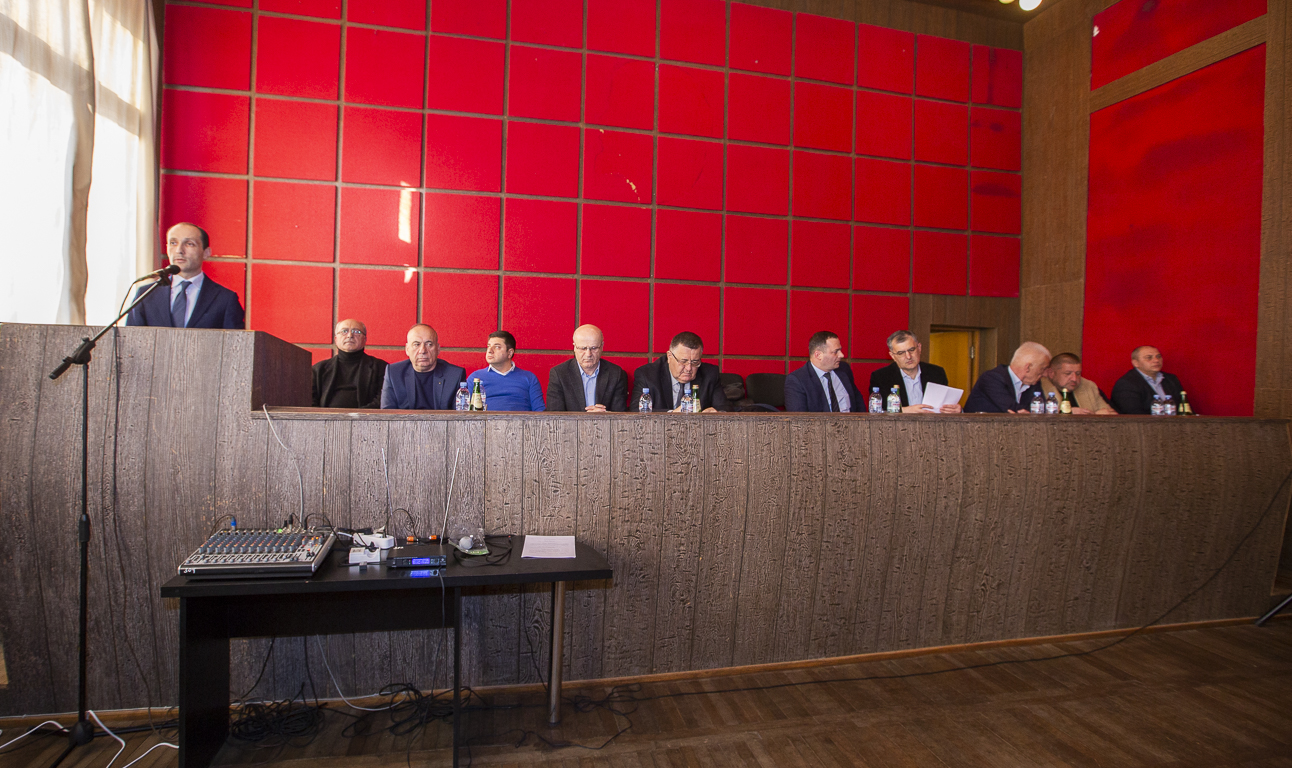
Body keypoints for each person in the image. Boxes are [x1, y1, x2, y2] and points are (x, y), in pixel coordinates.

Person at [126, 222, 244, 329]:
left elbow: (235, 343)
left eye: (189, 244)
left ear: (206, 252)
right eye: (173, 243)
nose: (179, 250)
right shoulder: (146, 295)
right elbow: (132, 340)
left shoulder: (225, 299)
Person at [630, 332, 731, 412]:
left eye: (695, 362)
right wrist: (672, 414)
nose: (689, 368)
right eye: (683, 361)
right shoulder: (647, 375)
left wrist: (717, 412)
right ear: (669, 357)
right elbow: (636, 410)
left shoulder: (710, 374)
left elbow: (725, 408)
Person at [867, 330, 962, 413]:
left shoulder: (937, 373)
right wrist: (905, 411)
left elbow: (945, 405)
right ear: (892, 356)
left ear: (919, 348)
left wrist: (957, 410)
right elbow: (878, 411)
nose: (908, 356)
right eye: (901, 353)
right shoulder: (881, 377)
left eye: (911, 350)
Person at [380, 324, 466, 410]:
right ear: (407, 349)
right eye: (416, 344)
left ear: (438, 349)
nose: (422, 350)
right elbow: (387, 414)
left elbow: (459, 415)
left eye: (429, 344)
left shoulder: (455, 376)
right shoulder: (393, 373)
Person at [546, 324, 628, 412]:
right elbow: (555, 415)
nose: (588, 354)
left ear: (602, 346)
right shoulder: (559, 374)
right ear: (574, 347)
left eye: (594, 348)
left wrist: (605, 416)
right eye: (583, 348)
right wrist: (587, 417)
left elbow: (620, 414)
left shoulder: (616, 374)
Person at [311, 319, 386, 409]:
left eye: (356, 332)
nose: (350, 335)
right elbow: (310, 402)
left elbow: (382, 400)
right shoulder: (318, 369)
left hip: (366, 416)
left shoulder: (381, 367)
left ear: (365, 339)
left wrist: (358, 415)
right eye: (344, 331)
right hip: (326, 417)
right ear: (336, 339)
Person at [465, 331, 545, 411]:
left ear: (510, 353)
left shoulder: (529, 378)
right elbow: (464, 411)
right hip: (486, 419)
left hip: (521, 419)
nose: (490, 351)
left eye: (497, 347)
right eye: (488, 346)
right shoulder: (475, 378)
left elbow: (540, 412)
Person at [964, 341, 1052, 413]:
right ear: (1027, 367)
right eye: (1043, 369)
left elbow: (1041, 410)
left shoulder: (1033, 383)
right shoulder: (992, 378)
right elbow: (1011, 409)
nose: (1045, 374)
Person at [784, 331, 861, 412]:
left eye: (840, 350)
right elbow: (799, 417)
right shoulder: (797, 380)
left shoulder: (844, 369)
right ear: (818, 355)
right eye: (836, 352)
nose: (841, 355)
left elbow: (858, 402)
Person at [1110, 345, 1185, 415]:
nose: (1156, 360)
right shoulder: (1126, 383)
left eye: (1158, 356)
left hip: (1176, 423)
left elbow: (1184, 407)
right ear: (1136, 363)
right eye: (1149, 357)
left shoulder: (1171, 379)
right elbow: (1133, 415)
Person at [1039, 352, 1117, 415]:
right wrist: (1067, 412)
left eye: (1078, 373)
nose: (1074, 379)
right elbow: (1036, 415)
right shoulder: (1040, 386)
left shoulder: (1088, 386)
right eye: (1068, 373)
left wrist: (1095, 416)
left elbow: (1111, 414)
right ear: (1051, 373)